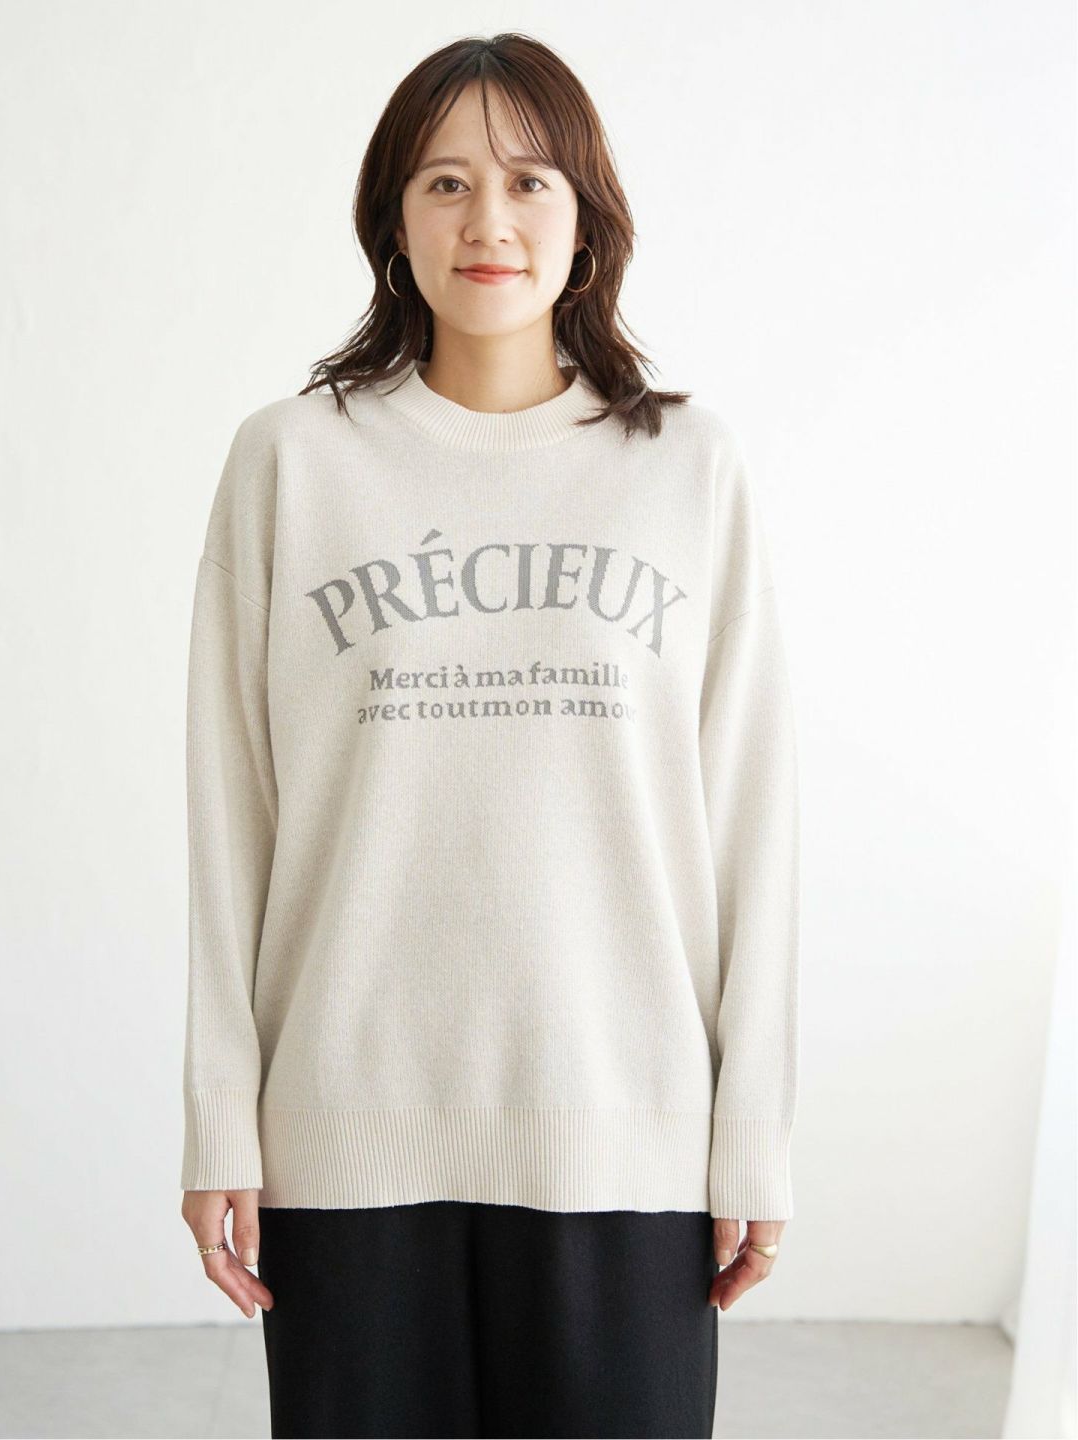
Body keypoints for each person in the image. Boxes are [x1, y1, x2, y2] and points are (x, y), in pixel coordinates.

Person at [179, 31, 800, 1440]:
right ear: (394, 222)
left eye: (528, 182)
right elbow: (231, 815)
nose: (489, 222)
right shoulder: (292, 461)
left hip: (623, 1136)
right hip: (346, 1135)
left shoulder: (687, 468)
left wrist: (752, 1125)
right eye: (446, 183)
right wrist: (221, 1113)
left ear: (586, 221)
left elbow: (752, 822)